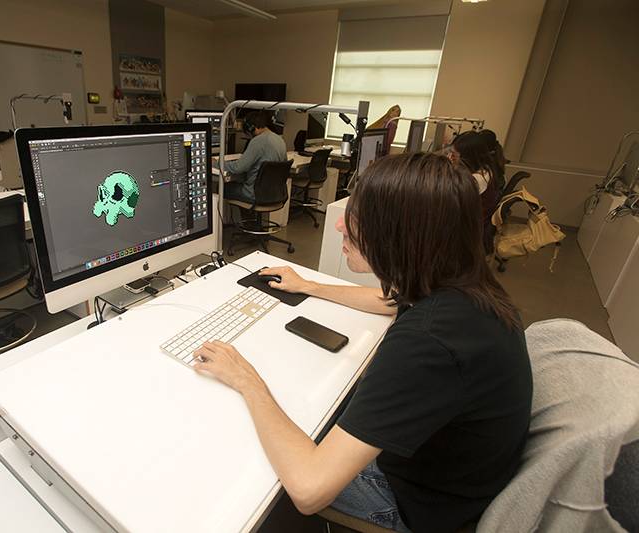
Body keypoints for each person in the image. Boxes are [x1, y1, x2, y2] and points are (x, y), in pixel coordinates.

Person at [193, 153, 533, 533]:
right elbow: (387, 301)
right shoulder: (462, 285)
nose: (339, 224)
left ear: (398, 233)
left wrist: (246, 379)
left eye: (357, 218)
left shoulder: (429, 341)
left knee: (246, 455)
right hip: (451, 477)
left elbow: (309, 488)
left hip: (413, 503)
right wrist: (308, 286)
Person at [224, 110, 287, 202]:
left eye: (249, 134)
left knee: (222, 188)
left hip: (254, 194)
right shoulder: (280, 140)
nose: (250, 138)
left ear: (252, 128)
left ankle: (242, 215)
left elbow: (238, 168)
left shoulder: (258, 141)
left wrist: (217, 163)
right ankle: (249, 215)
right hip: (274, 194)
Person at [447, 131, 502, 225]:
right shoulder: (486, 169)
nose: (449, 157)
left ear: (467, 158)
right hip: (474, 225)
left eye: (453, 155)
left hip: (466, 230)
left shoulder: (475, 180)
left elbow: (448, 204)